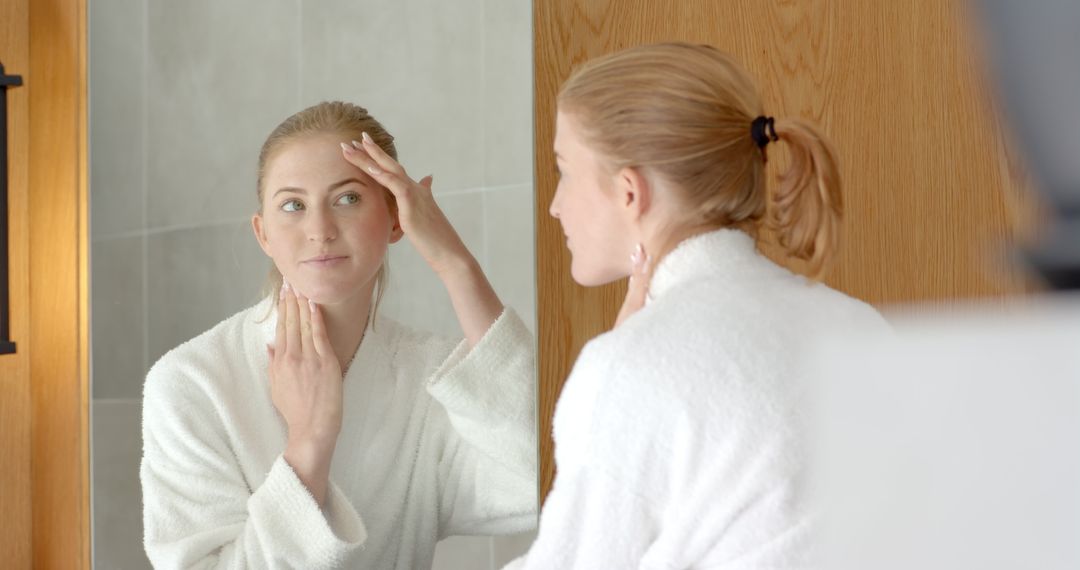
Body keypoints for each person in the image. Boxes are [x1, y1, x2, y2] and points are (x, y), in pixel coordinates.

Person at [506, 42, 887, 569]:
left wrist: (623, 361)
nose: (555, 205)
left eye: (563, 169)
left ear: (628, 192)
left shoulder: (630, 369)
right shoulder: (859, 323)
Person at [140, 101, 537, 569]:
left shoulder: (429, 376)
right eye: (293, 205)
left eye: (348, 198)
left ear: (396, 217)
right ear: (263, 233)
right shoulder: (192, 382)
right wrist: (309, 442)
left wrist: (456, 264)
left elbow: (537, 479)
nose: (319, 230)